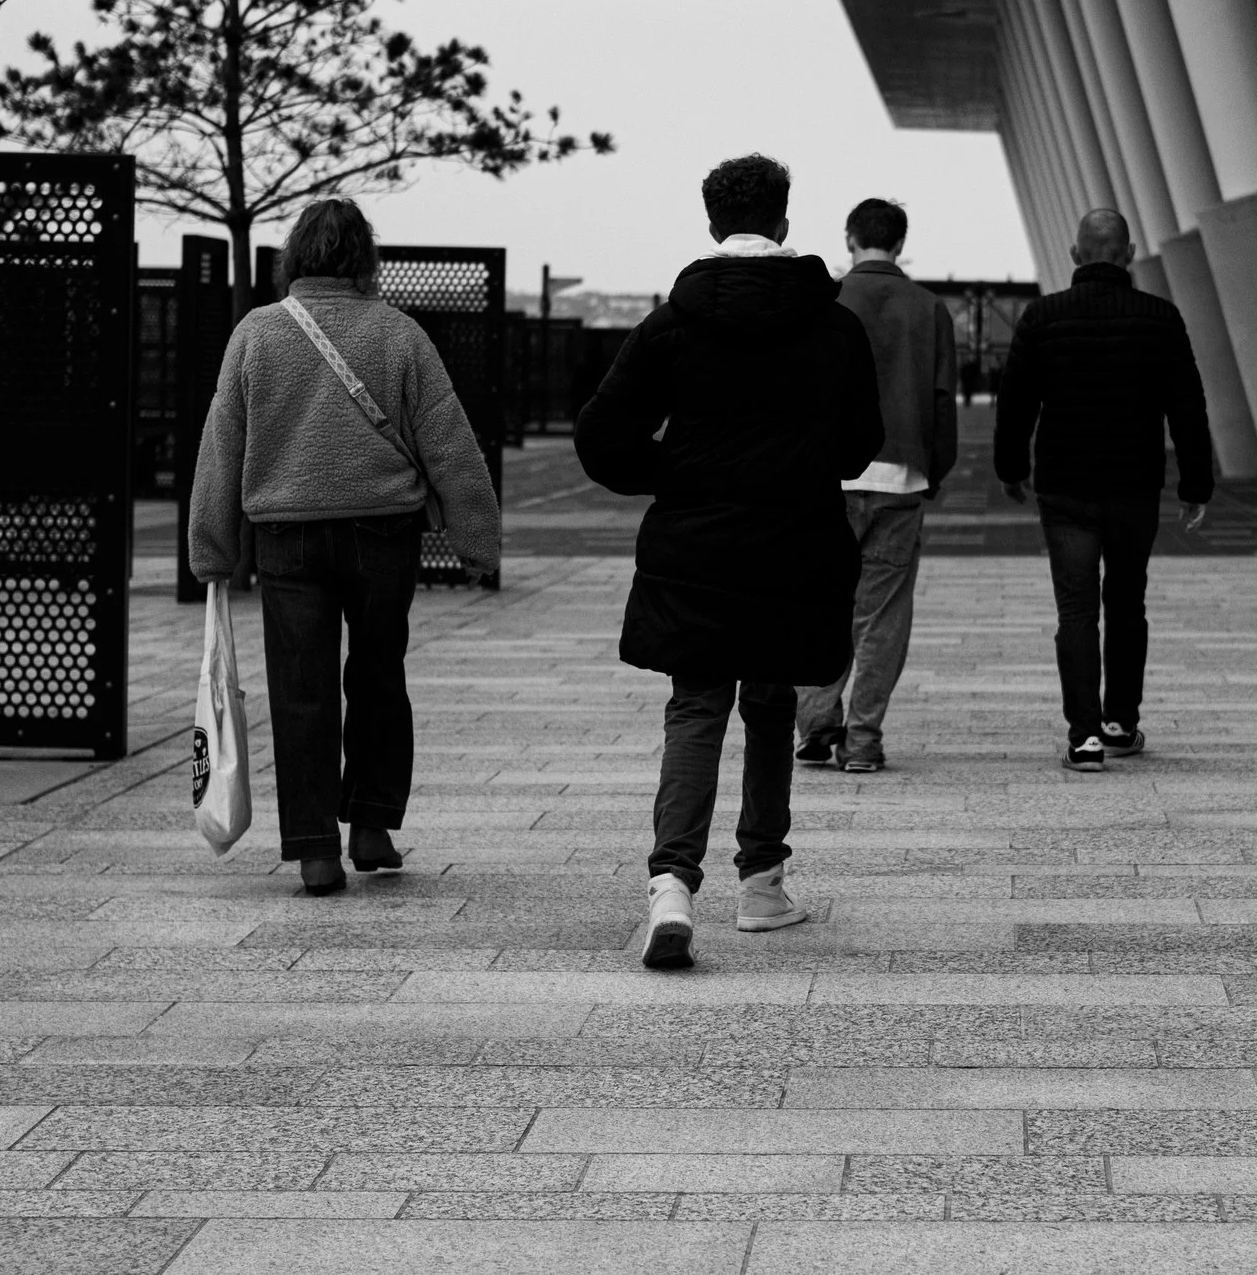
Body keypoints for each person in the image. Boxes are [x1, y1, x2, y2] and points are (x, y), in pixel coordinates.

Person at [576, 154, 883, 969]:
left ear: (713, 223)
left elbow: (601, 437)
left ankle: (673, 882)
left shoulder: (672, 323)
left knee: (696, 703)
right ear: (784, 220)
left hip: (697, 544)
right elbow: (861, 447)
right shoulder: (834, 324)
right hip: (796, 541)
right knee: (773, 699)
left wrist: (675, 473)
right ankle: (762, 882)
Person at [189, 198, 501, 895]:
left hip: (286, 534)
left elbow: (222, 444)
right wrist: (477, 538)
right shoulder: (399, 334)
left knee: (300, 690)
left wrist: (212, 549)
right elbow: (449, 441)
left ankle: (313, 849)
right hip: (382, 532)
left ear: (293, 257)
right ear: (366, 259)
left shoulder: (256, 335)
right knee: (378, 676)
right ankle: (371, 823)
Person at [994, 209, 1212, 773]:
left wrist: (1010, 466)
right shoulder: (1160, 317)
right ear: (1129, 252)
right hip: (1135, 485)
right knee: (1126, 602)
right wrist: (1196, 482)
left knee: (1076, 610)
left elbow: (1016, 401)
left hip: (1065, 486)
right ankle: (1120, 722)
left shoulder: (1043, 317)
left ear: (1074, 254)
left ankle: (1084, 736)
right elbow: (1186, 404)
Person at [793, 198, 957, 773]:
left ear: (849, 239)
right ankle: (862, 739)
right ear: (900, 241)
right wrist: (934, 470)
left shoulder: (825, 301)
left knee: (822, 601)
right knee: (883, 615)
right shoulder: (928, 307)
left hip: (828, 479)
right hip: (900, 479)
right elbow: (942, 401)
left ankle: (816, 723)